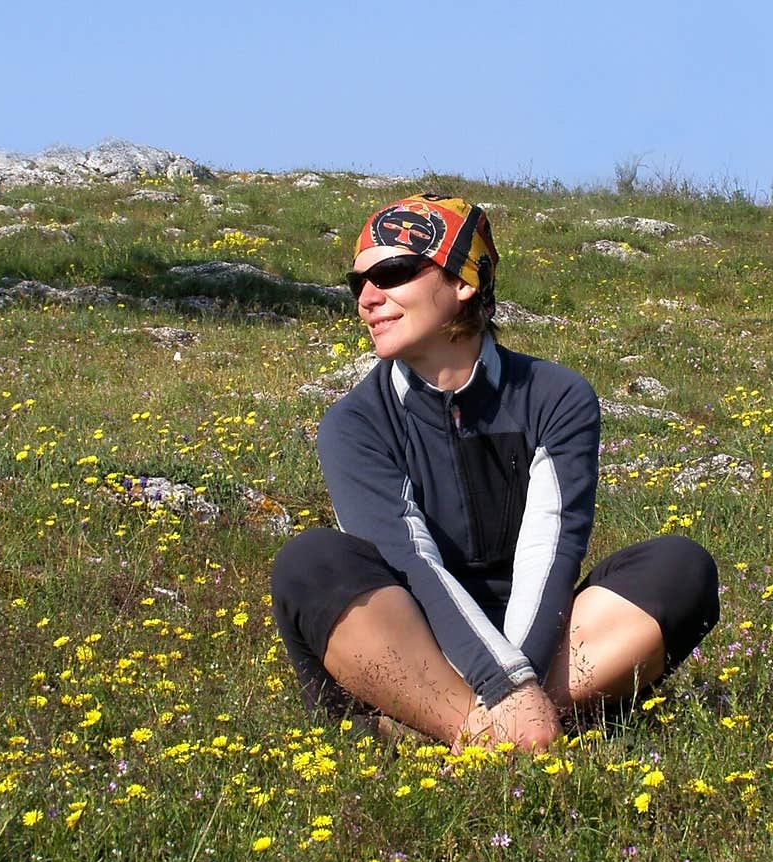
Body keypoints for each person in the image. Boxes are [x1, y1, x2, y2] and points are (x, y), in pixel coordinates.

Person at [271, 193, 720, 753]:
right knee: (308, 563)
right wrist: (502, 687)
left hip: (536, 640)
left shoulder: (555, 397)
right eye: (356, 282)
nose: (367, 298)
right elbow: (411, 562)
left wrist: (514, 680)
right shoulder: (355, 422)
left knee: (681, 568)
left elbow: (549, 553)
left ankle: (460, 729)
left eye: (391, 272)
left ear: (463, 282)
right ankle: (491, 724)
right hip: (416, 643)